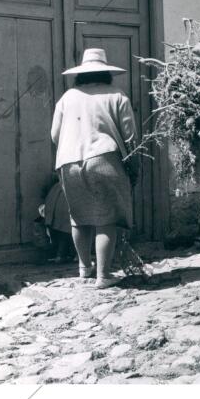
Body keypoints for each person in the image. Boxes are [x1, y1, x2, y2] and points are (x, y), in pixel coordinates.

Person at [51, 48, 139, 289]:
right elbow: (130, 138)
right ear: (107, 73)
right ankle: (104, 276)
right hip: (104, 158)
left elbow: (54, 135)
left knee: (78, 217)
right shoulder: (117, 95)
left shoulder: (67, 97)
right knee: (106, 218)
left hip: (68, 161)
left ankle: (84, 268)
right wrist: (134, 167)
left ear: (80, 74)